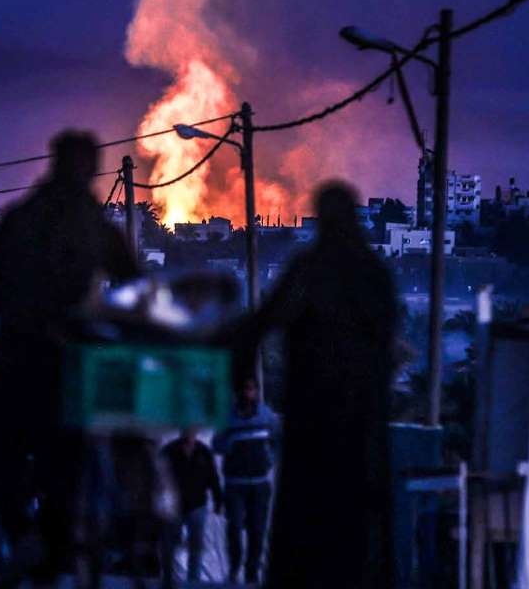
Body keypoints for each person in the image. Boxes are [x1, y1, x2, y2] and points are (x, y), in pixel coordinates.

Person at [0, 130, 138, 586]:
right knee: (64, 466)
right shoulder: (93, 226)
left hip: (17, 360)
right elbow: (134, 284)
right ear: (90, 168)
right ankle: (50, 550)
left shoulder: (19, 217)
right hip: (68, 366)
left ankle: (27, 538)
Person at [241, 181, 399, 588]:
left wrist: (237, 368)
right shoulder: (373, 273)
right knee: (360, 515)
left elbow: (262, 322)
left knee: (306, 512)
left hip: (314, 416)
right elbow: (391, 341)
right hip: (361, 419)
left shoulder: (311, 268)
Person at [213, 377, 279, 585]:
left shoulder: (267, 415)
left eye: (251, 389)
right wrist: (232, 446)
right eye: (244, 389)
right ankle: (234, 566)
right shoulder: (227, 416)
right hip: (235, 483)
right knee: (234, 528)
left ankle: (252, 572)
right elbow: (217, 444)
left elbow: (278, 440)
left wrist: (269, 459)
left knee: (257, 530)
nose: (247, 393)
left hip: (260, 483)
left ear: (257, 392)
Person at [161, 427, 223, 584]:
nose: (190, 433)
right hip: (174, 506)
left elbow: (213, 477)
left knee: (196, 547)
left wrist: (218, 500)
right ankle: (168, 581)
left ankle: (193, 582)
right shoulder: (168, 451)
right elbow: (158, 477)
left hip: (197, 506)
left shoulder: (204, 452)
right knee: (169, 546)